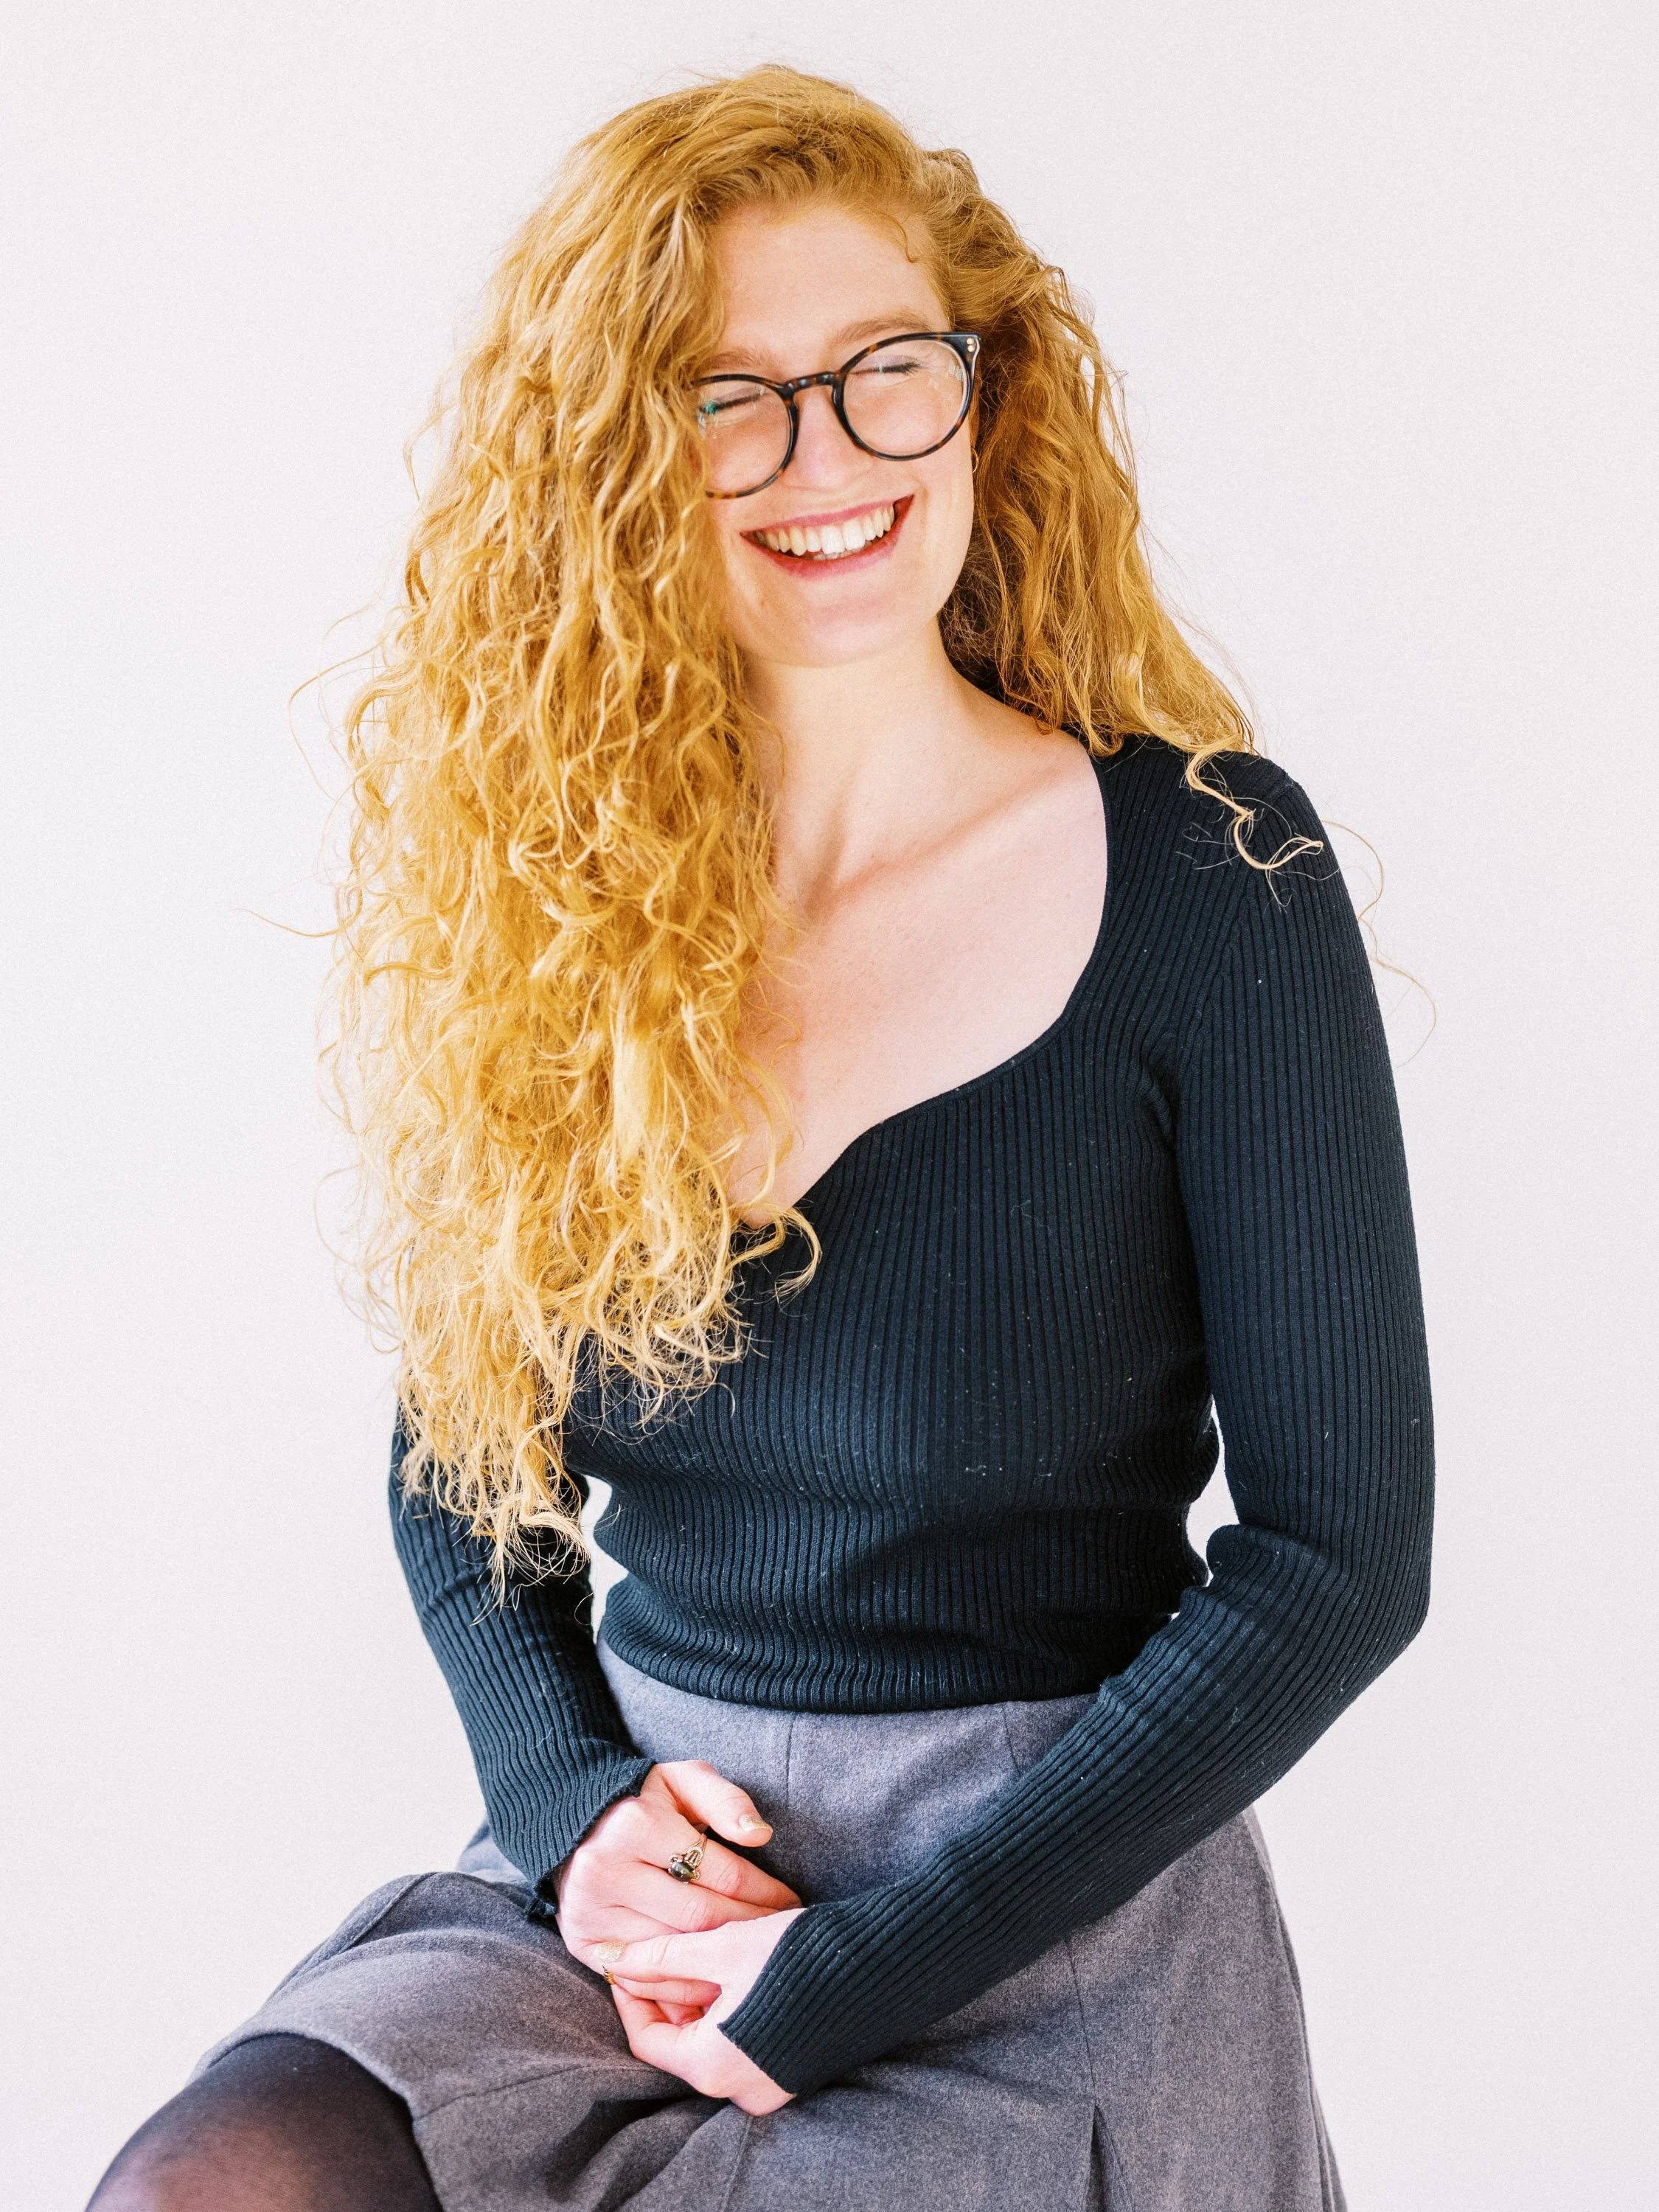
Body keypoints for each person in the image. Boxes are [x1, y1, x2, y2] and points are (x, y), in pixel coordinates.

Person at [91, 63, 1433, 2212]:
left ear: (980, 396)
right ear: (625, 463)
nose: (824, 458)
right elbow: (466, 1464)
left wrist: (843, 1982)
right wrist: (572, 1815)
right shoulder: (557, 909)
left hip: (1049, 1902)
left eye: (882, 373)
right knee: (214, 2183)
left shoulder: (1212, 880)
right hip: (646, 1877)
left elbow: (1335, 1564)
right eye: (731, 398)